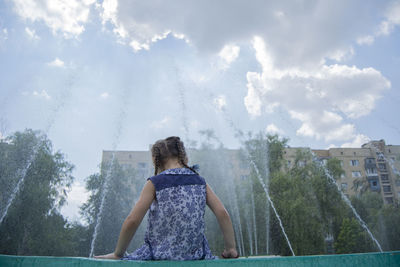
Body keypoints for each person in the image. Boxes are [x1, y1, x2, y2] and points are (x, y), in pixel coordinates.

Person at [94, 136, 238, 260]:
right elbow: (222, 213)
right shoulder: (199, 181)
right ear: (183, 156)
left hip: (158, 254)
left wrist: (118, 253)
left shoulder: (155, 182)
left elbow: (132, 220)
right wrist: (230, 248)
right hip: (195, 255)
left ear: (157, 160)